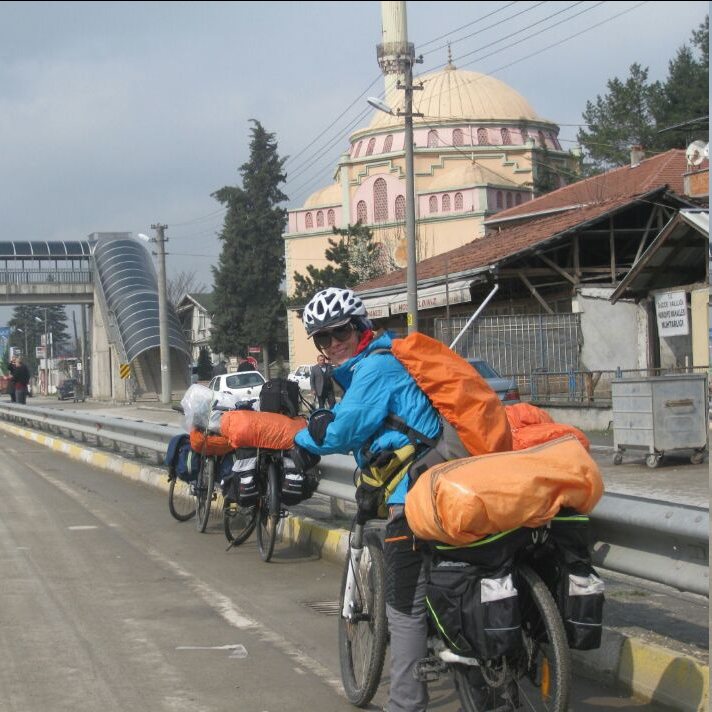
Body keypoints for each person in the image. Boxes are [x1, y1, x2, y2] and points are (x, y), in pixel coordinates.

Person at [294, 287, 440, 712]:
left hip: (412, 492)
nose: (333, 344)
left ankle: (406, 702)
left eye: (340, 332)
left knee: (403, 602)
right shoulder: (372, 365)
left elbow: (342, 429)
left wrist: (302, 443)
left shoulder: (376, 367)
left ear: (361, 327)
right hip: (431, 480)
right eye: (322, 338)